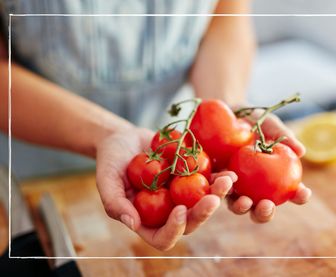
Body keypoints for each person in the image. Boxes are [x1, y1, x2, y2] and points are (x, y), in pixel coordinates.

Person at [0, 0, 311, 251]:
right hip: (37, 176)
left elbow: (226, 13)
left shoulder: (183, 166)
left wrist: (223, 109)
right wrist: (106, 134)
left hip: (177, 150)